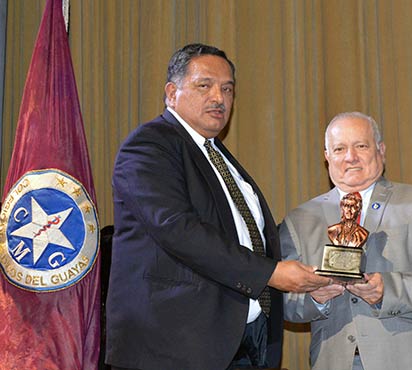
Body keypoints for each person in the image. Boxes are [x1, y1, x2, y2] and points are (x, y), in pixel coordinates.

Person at [105, 43, 331, 370]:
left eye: (227, 89)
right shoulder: (149, 146)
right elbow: (178, 230)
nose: (218, 97)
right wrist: (272, 273)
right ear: (171, 93)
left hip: (244, 341)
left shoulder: (217, 155)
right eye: (204, 85)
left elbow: (247, 237)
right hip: (175, 348)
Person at [280, 112, 412, 370]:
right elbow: (283, 302)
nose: (350, 157)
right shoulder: (298, 220)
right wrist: (315, 298)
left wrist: (388, 290)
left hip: (410, 358)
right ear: (327, 157)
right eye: (339, 149)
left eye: (361, 146)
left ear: (381, 151)